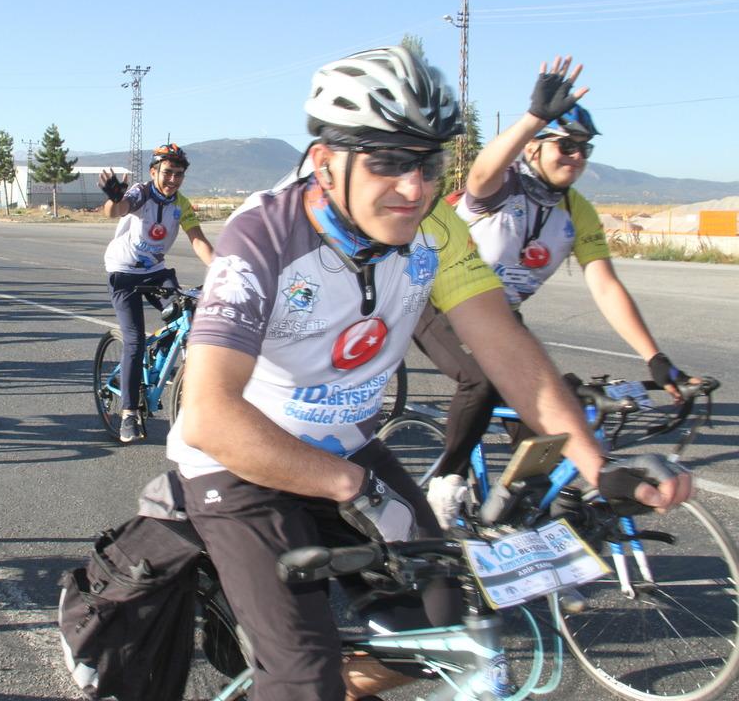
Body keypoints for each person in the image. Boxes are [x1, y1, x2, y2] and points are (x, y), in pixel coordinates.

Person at [167, 46, 692, 701]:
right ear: (326, 162)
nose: (414, 187)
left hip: (347, 448)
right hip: (240, 462)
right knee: (302, 675)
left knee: (446, 640)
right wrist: (355, 488)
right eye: (387, 161)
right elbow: (210, 416)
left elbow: (504, 345)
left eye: (429, 162)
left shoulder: (434, 227)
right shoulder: (263, 234)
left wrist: (596, 466)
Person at [415, 56, 702, 527]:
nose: (577, 157)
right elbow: (481, 173)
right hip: (435, 302)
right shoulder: (503, 187)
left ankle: (517, 516)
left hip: (499, 313)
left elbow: (605, 285)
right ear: (534, 148)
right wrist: (534, 118)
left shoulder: (576, 210)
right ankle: (447, 481)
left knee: (552, 412)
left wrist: (655, 357)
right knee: (483, 379)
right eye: (565, 145)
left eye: (585, 149)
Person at [98, 143, 215, 444]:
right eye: (167, 173)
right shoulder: (141, 193)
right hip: (124, 272)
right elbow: (116, 210)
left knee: (185, 315)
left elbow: (198, 240)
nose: (173, 179)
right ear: (154, 172)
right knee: (135, 339)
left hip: (155, 271)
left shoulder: (181, 205)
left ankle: (160, 360)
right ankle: (128, 412)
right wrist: (114, 198)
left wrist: (223, 269)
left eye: (179, 174)